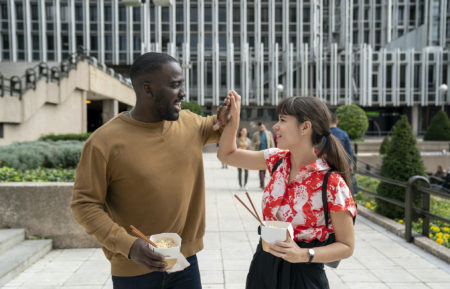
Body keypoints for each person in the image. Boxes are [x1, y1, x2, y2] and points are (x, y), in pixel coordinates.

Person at [71, 52, 230, 289]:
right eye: (175, 85)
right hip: (135, 270)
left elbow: (218, 126)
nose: (183, 93)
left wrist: (227, 116)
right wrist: (128, 245)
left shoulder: (190, 124)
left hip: (185, 263)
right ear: (148, 90)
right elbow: (84, 205)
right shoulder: (103, 142)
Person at [218, 92, 357, 289]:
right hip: (263, 266)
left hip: (302, 274)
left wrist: (303, 255)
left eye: (282, 120)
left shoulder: (331, 182)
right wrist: (234, 117)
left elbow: (347, 246)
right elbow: (227, 155)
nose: (275, 126)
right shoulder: (277, 159)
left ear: (305, 127)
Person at [330, 112, 358, 195]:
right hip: (342, 163)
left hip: (327, 163)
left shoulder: (323, 134)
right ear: (337, 121)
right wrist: (350, 164)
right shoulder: (343, 133)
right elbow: (349, 151)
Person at [252, 122, 275, 189]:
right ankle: (262, 184)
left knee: (269, 169)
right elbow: (252, 145)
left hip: (268, 154)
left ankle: (271, 184)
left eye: (262, 127)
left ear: (264, 126)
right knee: (261, 170)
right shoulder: (255, 134)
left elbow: (272, 143)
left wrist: (274, 152)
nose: (261, 128)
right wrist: (256, 144)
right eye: (259, 127)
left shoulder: (269, 133)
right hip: (260, 155)